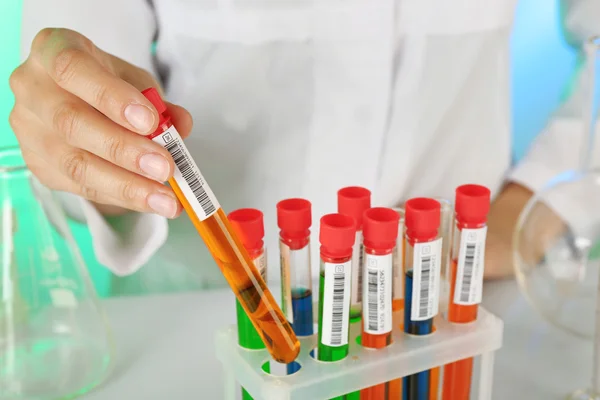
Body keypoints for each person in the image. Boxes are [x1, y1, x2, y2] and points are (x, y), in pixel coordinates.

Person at [7, 0, 598, 295]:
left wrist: (542, 201)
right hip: (208, 305)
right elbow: (78, 97)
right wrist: (100, 158)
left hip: (449, 302)